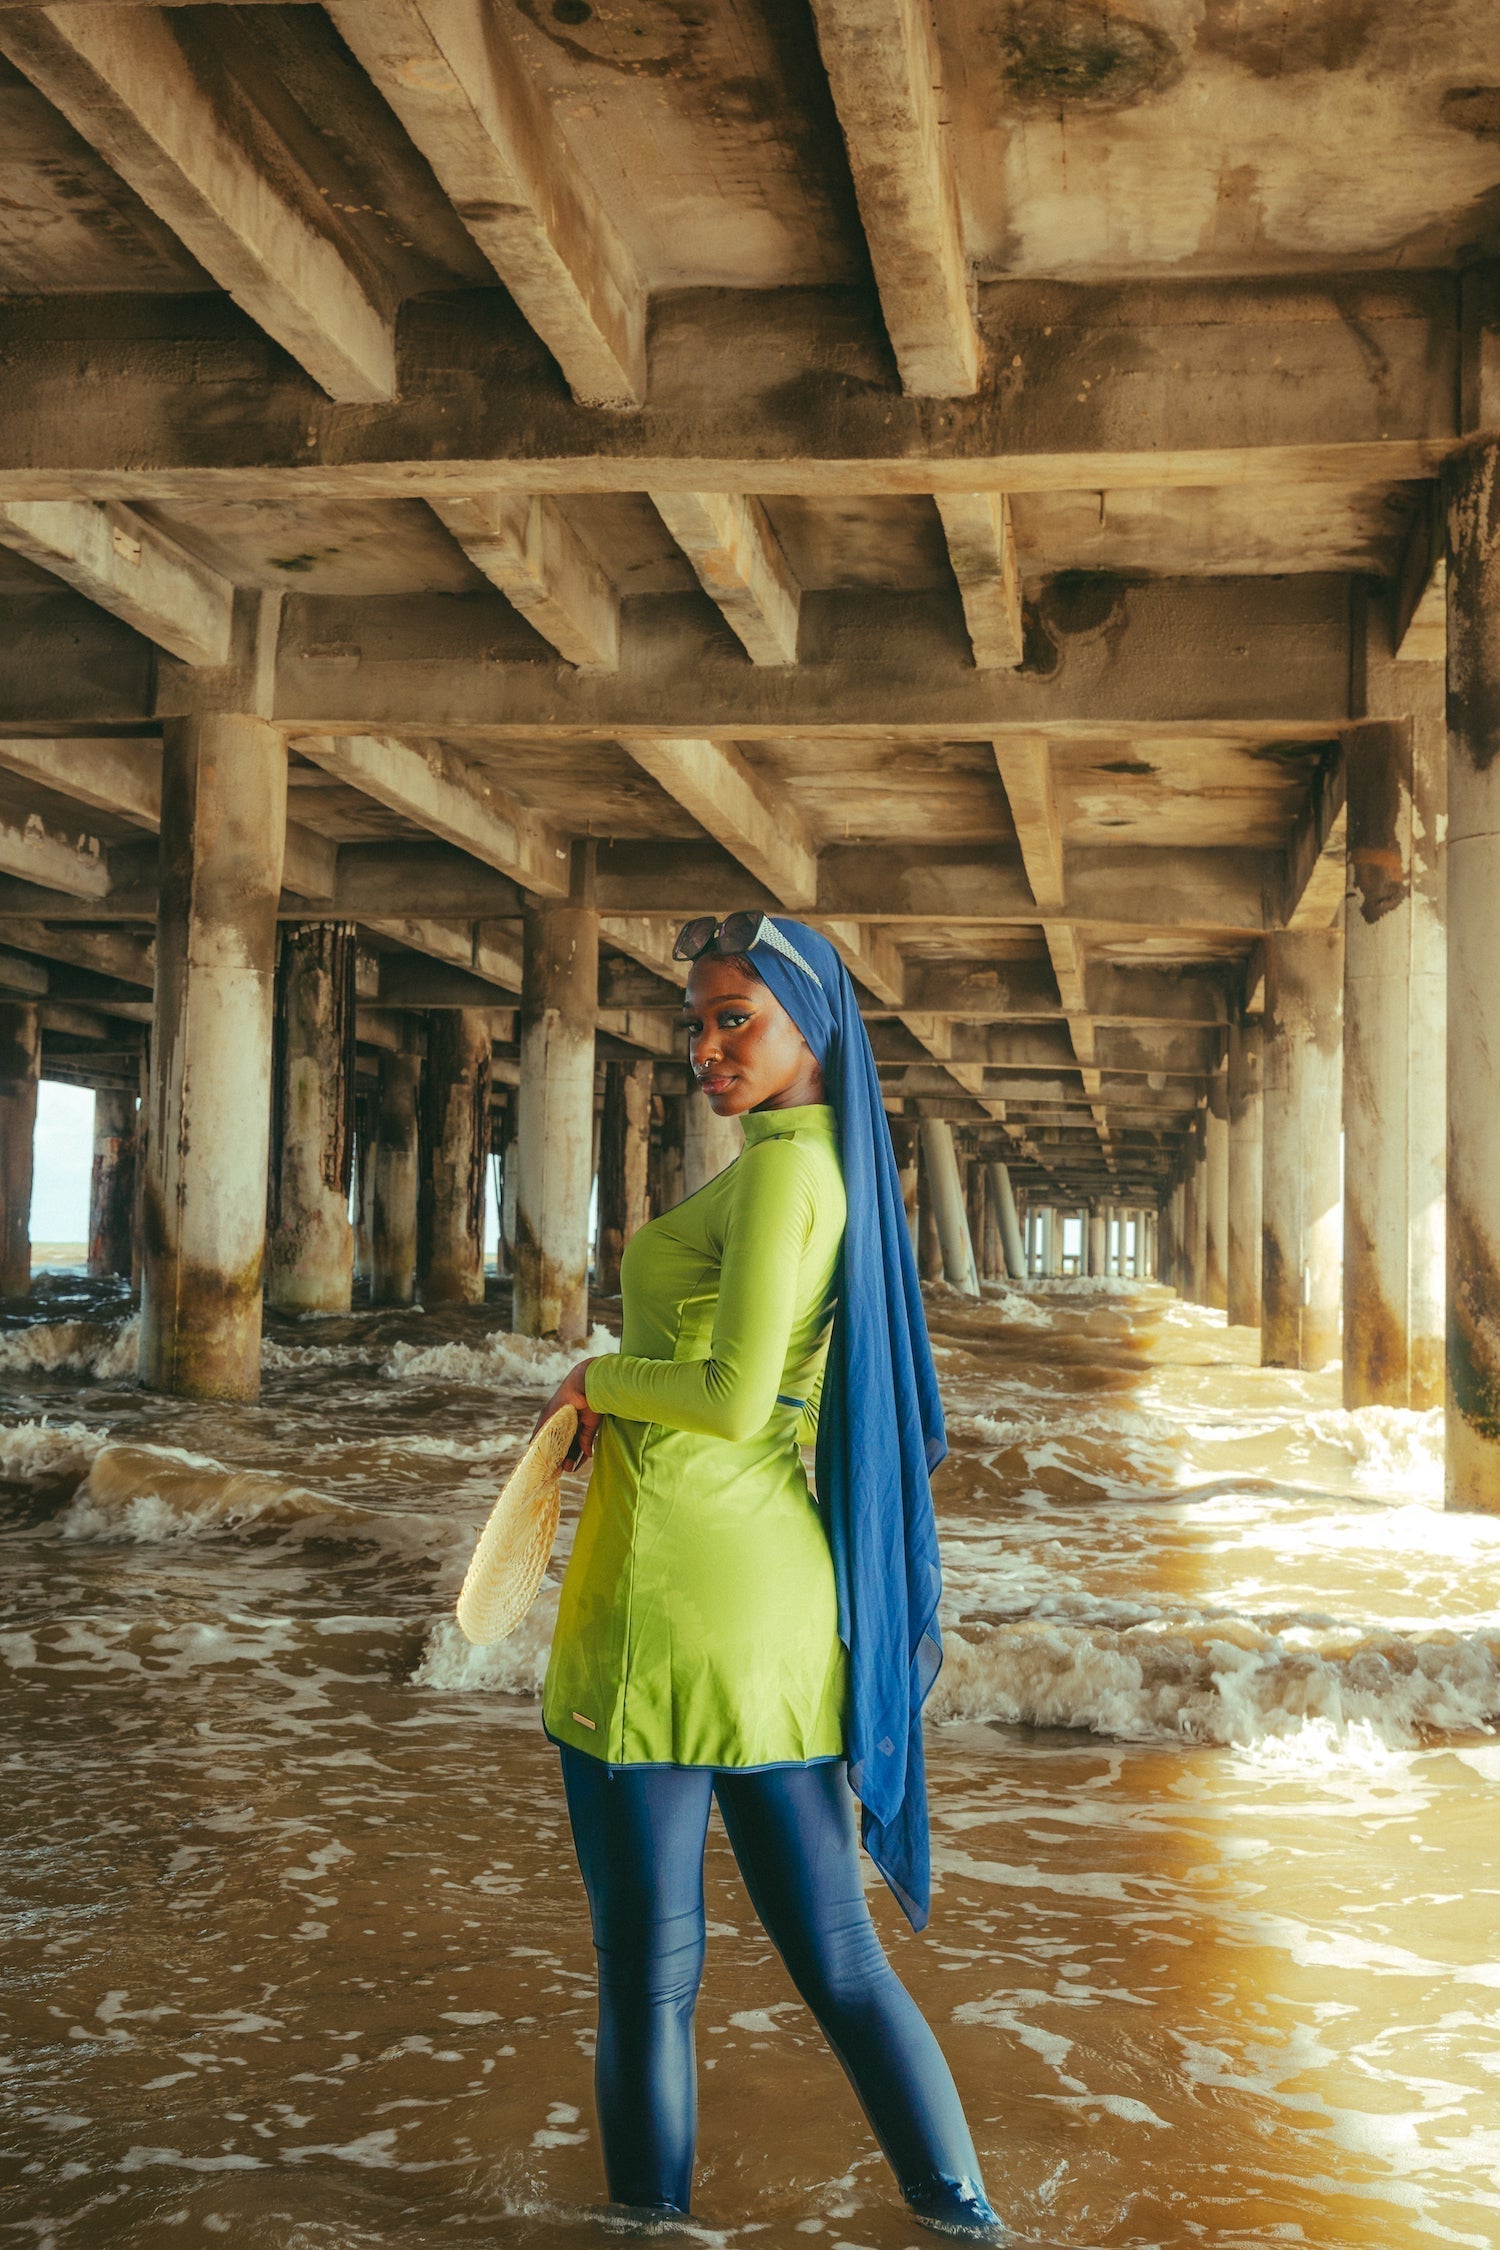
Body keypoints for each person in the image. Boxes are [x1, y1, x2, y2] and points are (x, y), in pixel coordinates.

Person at [533, 912, 1002, 2240]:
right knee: (844, 1967)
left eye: (735, 1018)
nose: (706, 1046)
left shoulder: (788, 1180)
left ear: (814, 1026)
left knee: (648, 1982)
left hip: (669, 1602)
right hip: (778, 1620)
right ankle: (965, 2221)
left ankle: (651, 2230)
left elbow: (735, 1398)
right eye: (695, 1022)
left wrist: (595, 1380)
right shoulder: (808, 1169)